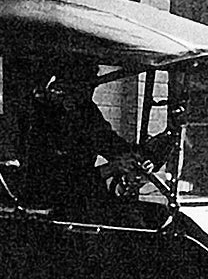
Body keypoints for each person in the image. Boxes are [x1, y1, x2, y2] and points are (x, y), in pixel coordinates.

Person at [17, 55, 146, 212]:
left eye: (91, 87)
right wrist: (111, 168)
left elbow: (109, 142)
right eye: (81, 88)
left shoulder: (86, 112)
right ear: (61, 87)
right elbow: (60, 181)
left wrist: (139, 158)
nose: (89, 92)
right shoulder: (39, 118)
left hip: (84, 201)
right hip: (47, 206)